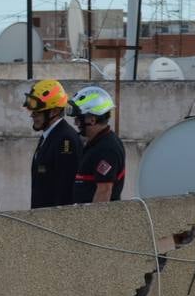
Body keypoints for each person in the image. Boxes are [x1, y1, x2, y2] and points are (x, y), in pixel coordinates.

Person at [23, 79, 83, 208]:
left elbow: (65, 191)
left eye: (37, 112)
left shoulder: (65, 140)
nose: (32, 116)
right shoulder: (49, 135)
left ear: (54, 111)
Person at [68, 86, 126, 204]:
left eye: (79, 119)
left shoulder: (107, 149)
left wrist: (93, 222)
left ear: (92, 119)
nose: (76, 123)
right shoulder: (96, 143)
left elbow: (104, 191)